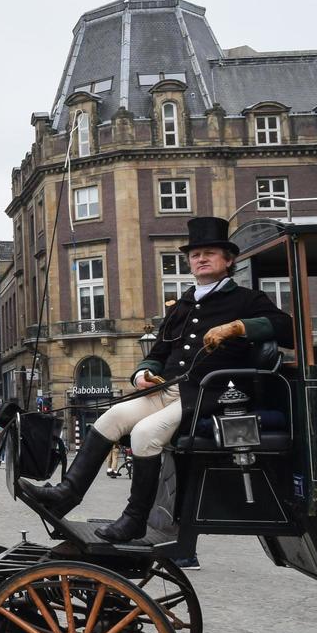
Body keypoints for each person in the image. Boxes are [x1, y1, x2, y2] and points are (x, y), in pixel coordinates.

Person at [22, 216, 294, 542]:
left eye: (210, 252)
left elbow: (286, 327)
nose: (201, 259)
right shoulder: (183, 304)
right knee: (109, 419)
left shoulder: (247, 300)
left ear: (229, 259)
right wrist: (142, 373)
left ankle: (135, 519)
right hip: (169, 388)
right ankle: (66, 494)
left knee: (144, 434)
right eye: (195, 254)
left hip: (213, 394)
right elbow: (160, 350)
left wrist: (239, 327)